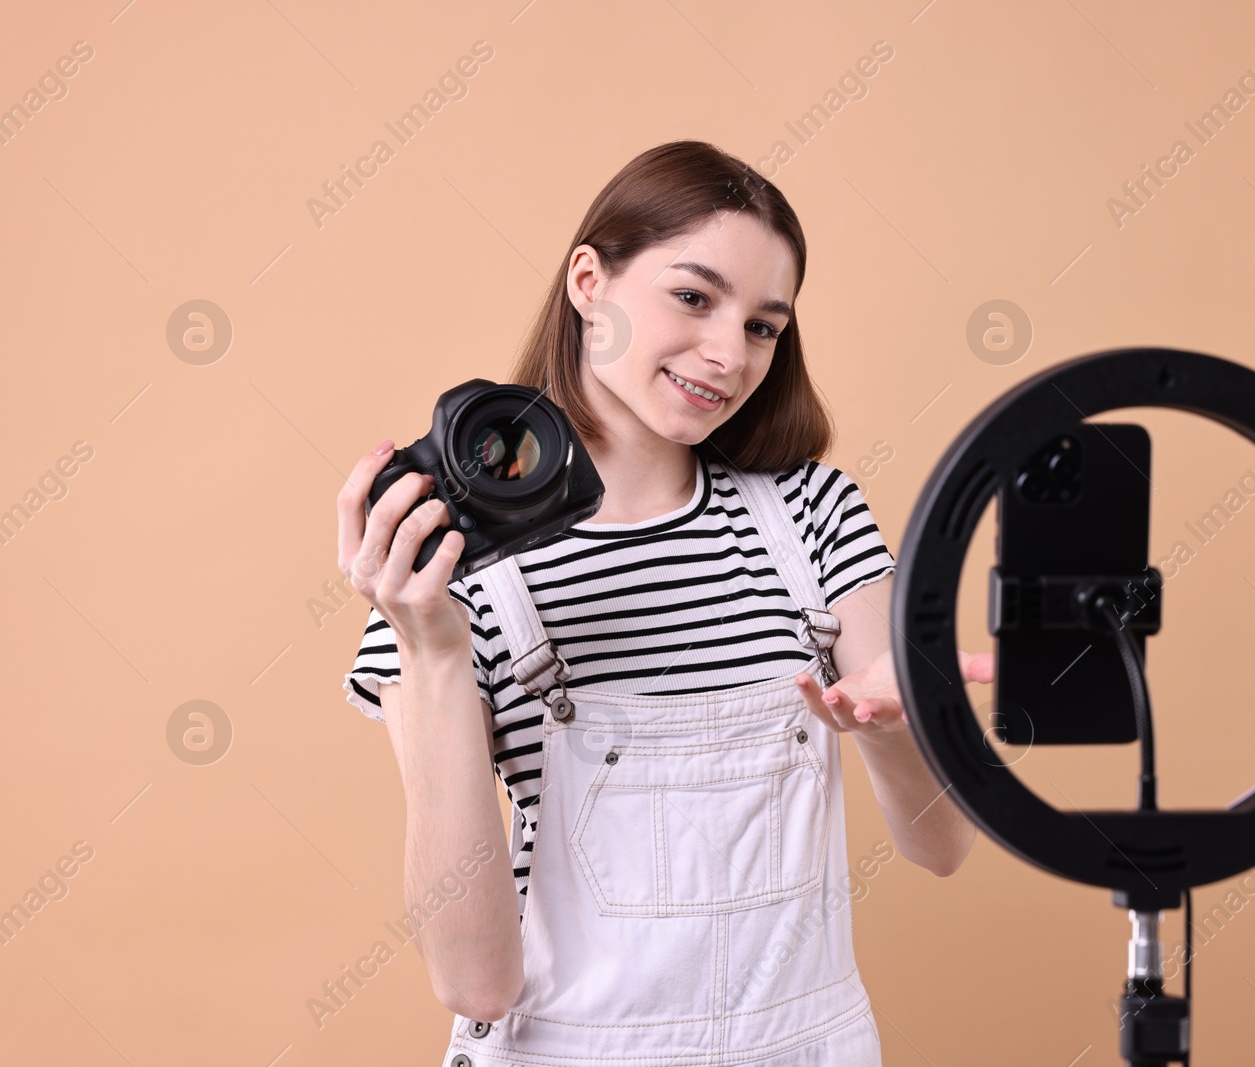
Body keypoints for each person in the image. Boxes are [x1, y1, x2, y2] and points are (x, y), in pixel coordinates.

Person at [335, 140, 993, 1066]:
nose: (729, 353)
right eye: (693, 296)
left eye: (765, 326)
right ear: (588, 282)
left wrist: (891, 726)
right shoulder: (450, 569)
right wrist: (434, 649)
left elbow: (942, 846)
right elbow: (473, 982)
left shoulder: (812, 515)